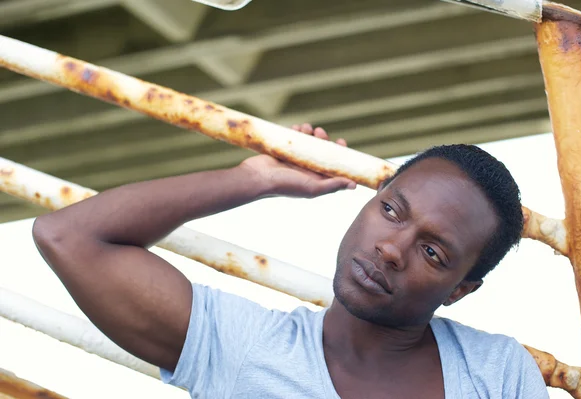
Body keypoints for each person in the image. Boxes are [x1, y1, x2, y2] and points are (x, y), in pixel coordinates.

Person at [32, 123, 548, 398]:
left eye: (432, 252)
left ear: (460, 289)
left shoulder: (494, 371)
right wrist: (256, 179)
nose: (391, 248)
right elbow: (68, 235)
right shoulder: (242, 349)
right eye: (391, 210)